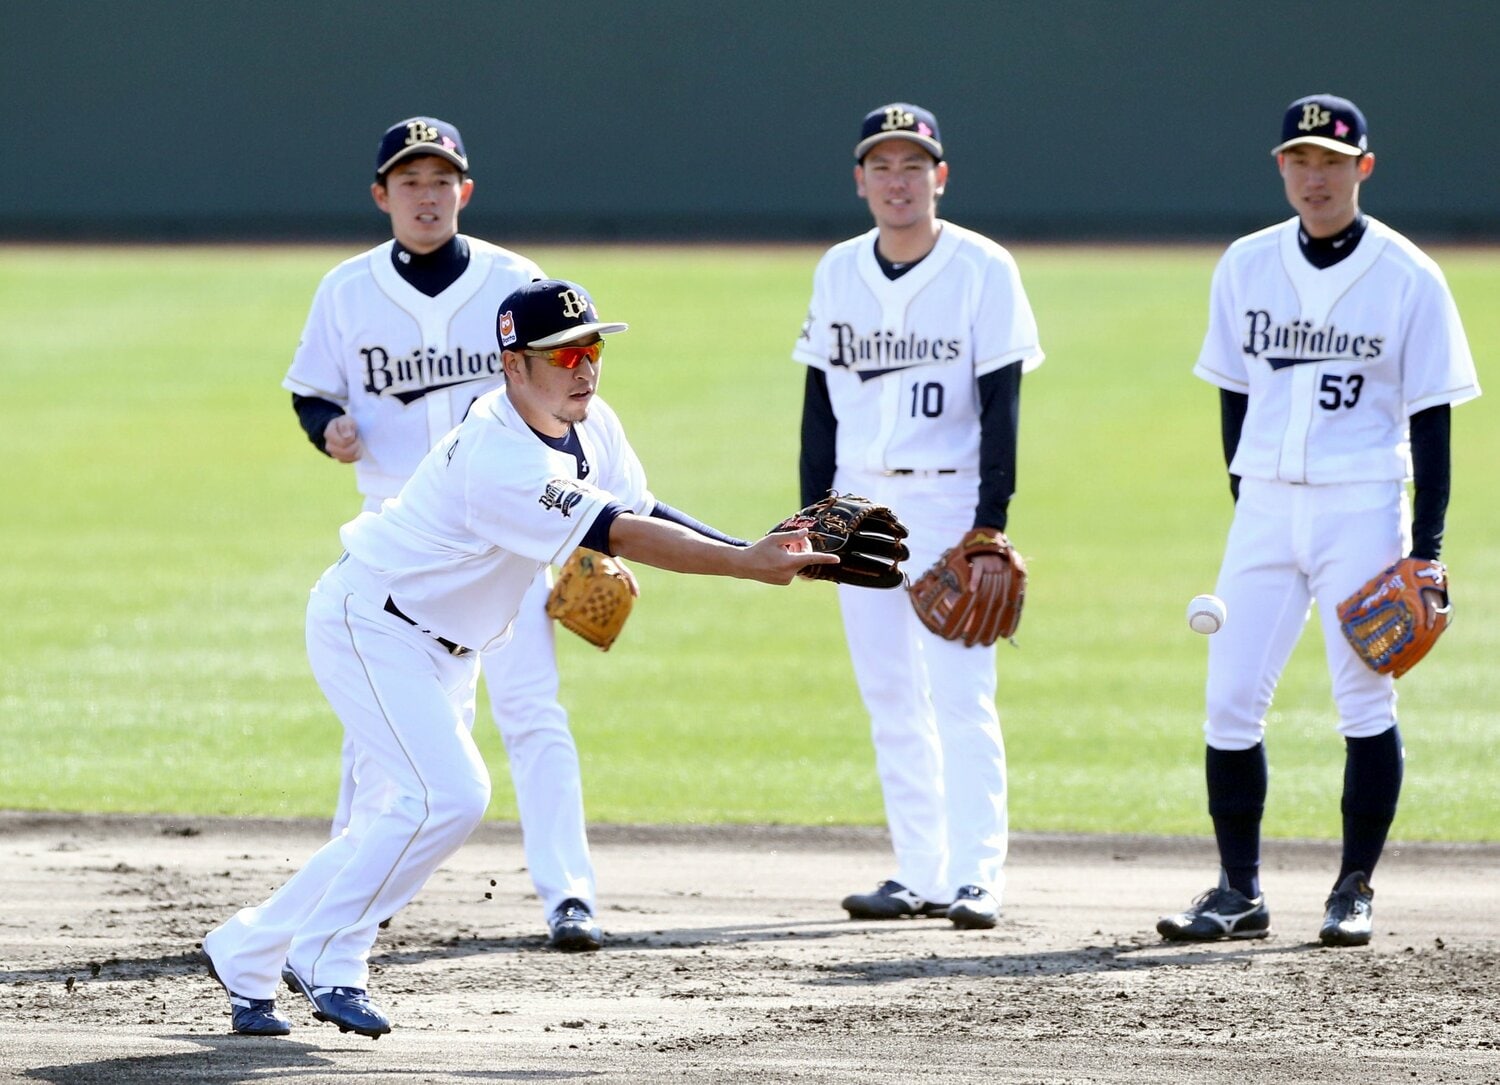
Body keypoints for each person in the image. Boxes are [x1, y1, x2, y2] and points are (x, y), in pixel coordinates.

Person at [205, 278, 836, 1037]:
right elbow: (622, 535)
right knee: (450, 795)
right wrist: (744, 566)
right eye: (563, 353)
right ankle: (322, 954)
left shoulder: (591, 423)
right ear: (513, 365)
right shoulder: (498, 453)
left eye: (592, 347)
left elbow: (638, 506)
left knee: (387, 819)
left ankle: (250, 950)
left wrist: (750, 547)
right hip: (372, 623)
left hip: (448, 646)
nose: (585, 367)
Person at [1157, 94, 1481, 947]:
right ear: (1281, 168)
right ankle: (1237, 891)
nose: (1315, 176)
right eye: (1300, 160)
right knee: (1228, 701)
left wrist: (1429, 549)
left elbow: (1433, 416)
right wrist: (1249, 501)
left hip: (1362, 503)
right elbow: (1233, 393)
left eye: (1332, 162)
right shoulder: (1246, 264)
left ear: (1362, 168)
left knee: (1364, 700)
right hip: (1264, 505)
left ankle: (1353, 887)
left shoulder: (1408, 275)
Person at [281, 116, 606, 952]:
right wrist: (328, 429)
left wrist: (594, 537)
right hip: (405, 534)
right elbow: (311, 390)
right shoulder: (347, 290)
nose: (427, 196)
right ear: (381, 195)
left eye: (441, 181)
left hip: (521, 524)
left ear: (464, 190)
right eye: (409, 181)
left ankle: (569, 893)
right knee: (378, 732)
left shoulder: (515, 280)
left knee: (531, 709)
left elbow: (578, 405)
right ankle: (354, 895)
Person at [792, 103, 1045, 930]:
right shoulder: (838, 270)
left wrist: (987, 527)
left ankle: (977, 876)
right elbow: (819, 403)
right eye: (883, 166)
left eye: (913, 165)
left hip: (947, 493)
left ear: (940, 176)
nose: (898, 181)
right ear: (860, 180)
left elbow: (1003, 406)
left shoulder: (983, 268)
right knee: (889, 693)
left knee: (961, 692)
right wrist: (812, 518)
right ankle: (918, 869)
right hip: (859, 497)